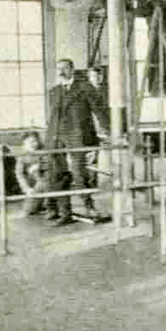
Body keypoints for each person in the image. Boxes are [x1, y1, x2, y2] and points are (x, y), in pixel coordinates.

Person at [46, 58, 110, 225]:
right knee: (57, 174)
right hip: (57, 137)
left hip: (78, 137)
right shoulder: (54, 92)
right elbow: (52, 119)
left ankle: (89, 206)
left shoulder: (85, 88)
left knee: (79, 173)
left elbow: (100, 111)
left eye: (65, 68)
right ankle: (64, 213)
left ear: (72, 70)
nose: (60, 72)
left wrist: (111, 131)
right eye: (58, 68)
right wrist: (50, 139)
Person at [15, 131, 54, 217]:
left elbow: (49, 165)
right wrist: (27, 188)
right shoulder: (22, 155)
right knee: (30, 209)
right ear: (24, 142)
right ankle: (36, 203)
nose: (35, 144)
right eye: (31, 142)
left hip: (44, 179)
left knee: (28, 210)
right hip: (32, 181)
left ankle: (38, 204)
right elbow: (19, 174)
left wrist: (38, 166)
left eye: (36, 141)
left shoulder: (43, 150)